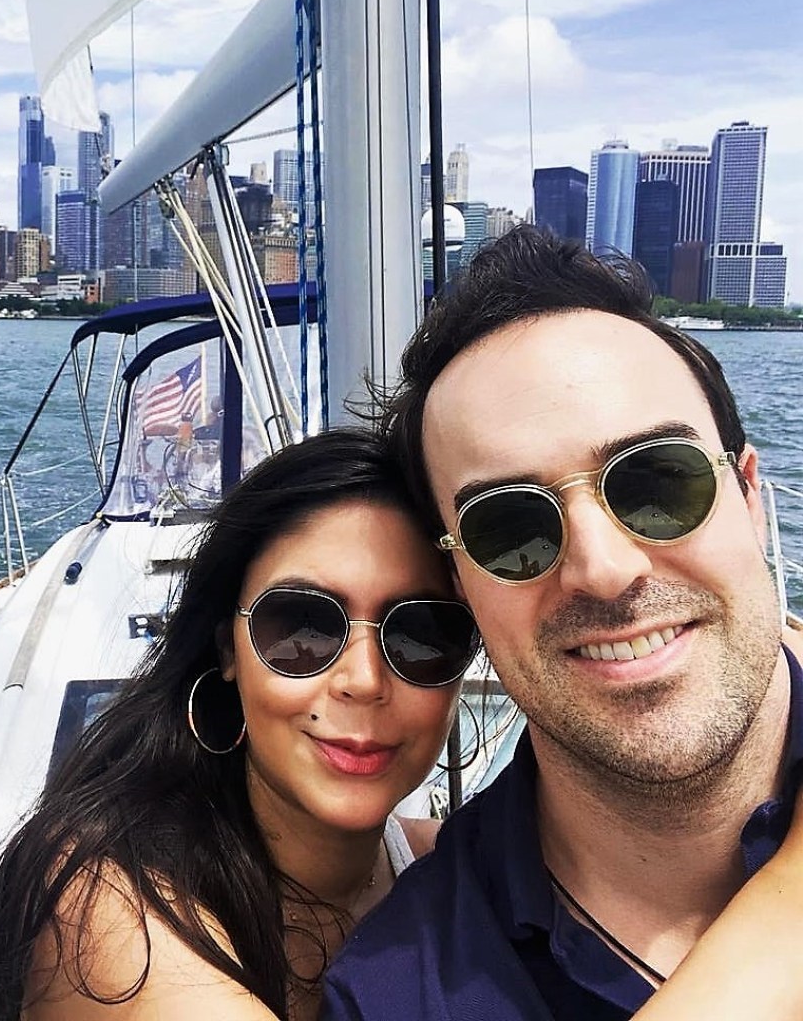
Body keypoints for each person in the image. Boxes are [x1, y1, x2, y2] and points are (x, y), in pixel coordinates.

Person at [323, 226, 803, 1019]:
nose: (605, 569)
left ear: (749, 499)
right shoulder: (399, 998)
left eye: (658, 481)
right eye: (510, 528)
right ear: (459, 583)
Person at [0, 428, 481, 1021]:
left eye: (422, 635)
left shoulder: (445, 871)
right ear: (229, 652)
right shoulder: (106, 895)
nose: (363, 680)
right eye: (301, 626)